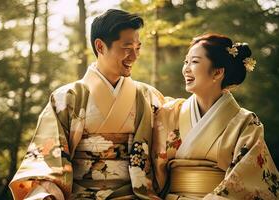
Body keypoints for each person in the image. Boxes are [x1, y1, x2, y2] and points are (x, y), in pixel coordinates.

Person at [10, 9, 164, 200]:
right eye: (127, 47)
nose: (134, 56)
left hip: (134, 196)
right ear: (100, 46)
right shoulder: (66, 98)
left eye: (138, 48)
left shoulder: (148, 97)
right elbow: (47, 160)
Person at [152, 33, 279, 200]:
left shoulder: (245, 123)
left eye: (194, 62)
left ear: (217, 73)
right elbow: (152, 170)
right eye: (185, 61)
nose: (186, 68)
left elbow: (249, 180)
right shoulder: (169, 112)